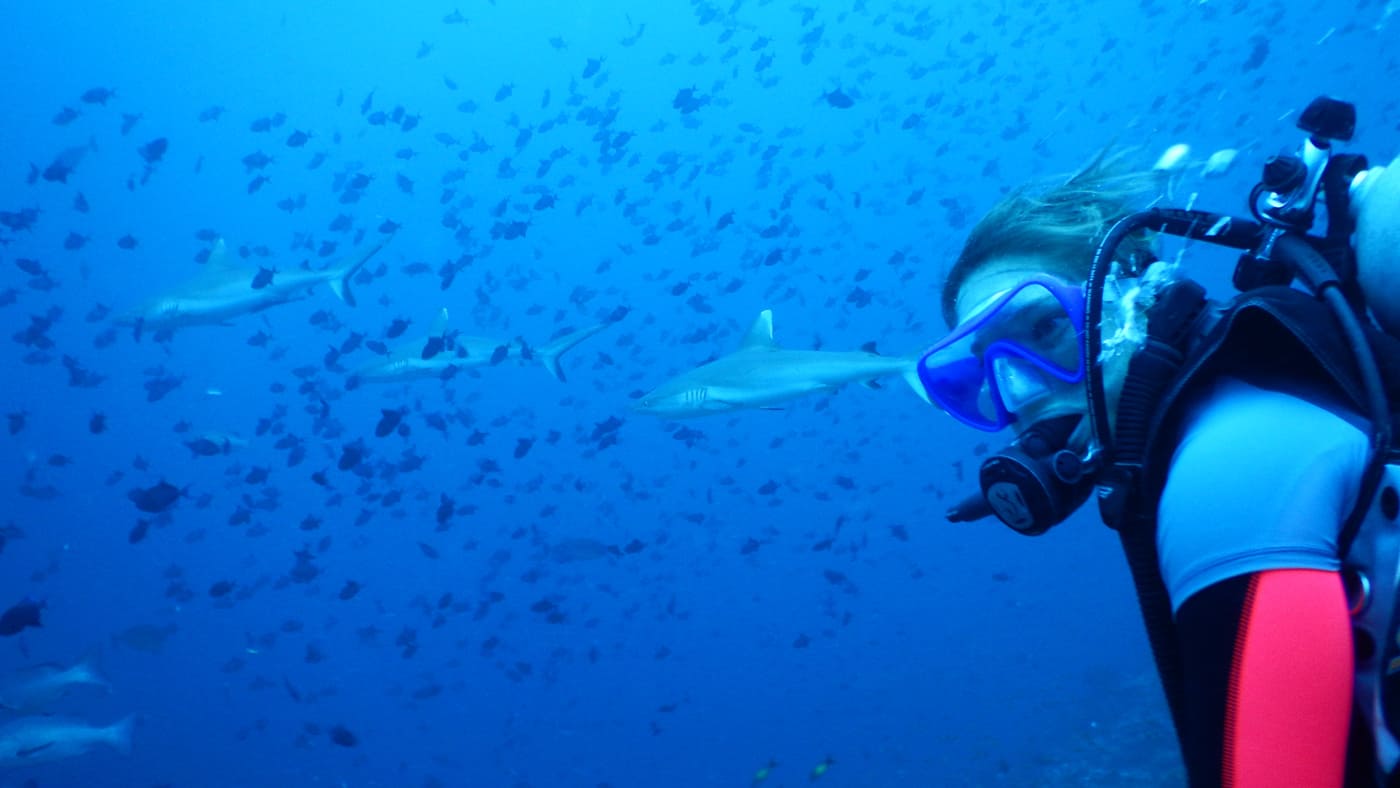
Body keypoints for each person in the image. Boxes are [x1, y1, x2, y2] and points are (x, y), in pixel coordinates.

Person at [914, 138, 1400, 788]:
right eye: (983, 374)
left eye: (1043, 332)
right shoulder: (1245, 402)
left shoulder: (1223, 480)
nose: (1022, 393)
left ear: (1132, 296)